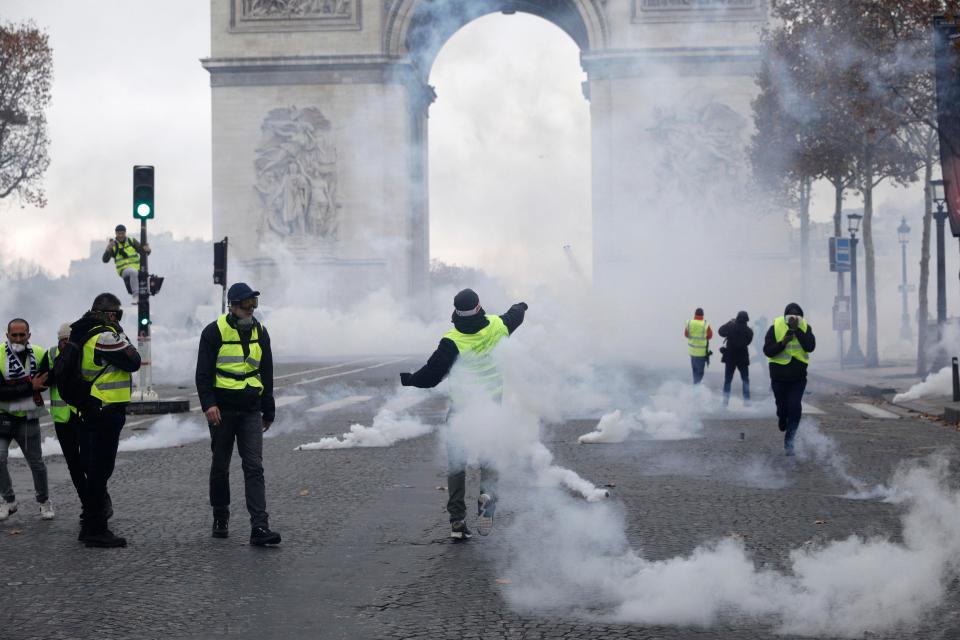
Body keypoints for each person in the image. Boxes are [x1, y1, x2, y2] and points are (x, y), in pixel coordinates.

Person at [399, 288, 527, 540]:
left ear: (456, 312)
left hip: (461, 410)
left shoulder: (451, 341)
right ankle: (487, 498)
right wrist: (521, 305)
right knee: (489, 457)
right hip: (491, 408)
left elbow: (431, 375)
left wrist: (409, 379)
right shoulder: (497, 326)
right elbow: (515, 315)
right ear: (479, 307)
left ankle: (457, 520)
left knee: (457, 462)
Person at [196, 282, 280, 546]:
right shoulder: (213, 332)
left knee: (254, 467)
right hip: (222, 410)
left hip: (251, 410)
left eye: (254, 305)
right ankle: (221, 516)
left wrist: (269, 408)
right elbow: (203, 374)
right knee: (220, 466)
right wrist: (209, 404)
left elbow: (266, 372)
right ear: (232, 306)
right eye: (246, 305)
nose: (251, 310)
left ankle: (259, 527)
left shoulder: (261, 332)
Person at [71, 293, 141, 547]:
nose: (118, 319)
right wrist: (120, 332)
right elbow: (133, 361)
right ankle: (96, 529)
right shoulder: (105, 336)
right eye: (117, 315)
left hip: (92, 407)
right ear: (110, 314)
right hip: (105, 408)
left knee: (96, 470)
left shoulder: (82, 331)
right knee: (101, 471)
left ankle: (89, 525)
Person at [0, 318, 54, 521]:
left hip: (29, 418)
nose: (18, 338)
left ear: (29, 336)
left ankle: (44, 500)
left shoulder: (40, 354)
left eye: (22, 335)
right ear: (7, 336)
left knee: (36, 463)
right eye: (14, 335)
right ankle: (8, 500)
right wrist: (29, 387)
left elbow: (46, 383)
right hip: (3, 416)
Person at [46, 323, 89, 520]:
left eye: (70, 341)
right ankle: (87, 503)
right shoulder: (51, 354)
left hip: (82, 416)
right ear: (59, 341)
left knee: (88, 462)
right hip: (63, 419)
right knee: (73, 464)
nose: (66, 345)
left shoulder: (84, 352)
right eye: (64, 341)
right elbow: (44, 379)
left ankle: (97, 501)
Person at [763, 302, 816, 456]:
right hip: (778, 377)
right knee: (782, 407)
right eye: (790, 317)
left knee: (794, 406)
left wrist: (797, 330)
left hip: (797, 378)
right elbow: (768, 351)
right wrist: (783, 343)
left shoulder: (805, 327)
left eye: (797, 317)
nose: (793, 319)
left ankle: (789, 442)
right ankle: (781, 417)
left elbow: (810, 346)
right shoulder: (775, 327)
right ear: (785, 316)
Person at [101, 224, 150, 305]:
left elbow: (143, 252)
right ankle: (135, 296)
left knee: (145, 276)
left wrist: (148, 250)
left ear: (125, 233)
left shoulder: (131, 241)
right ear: (116, 233)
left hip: (137, 268)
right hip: (124, 270)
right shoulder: (113, 245)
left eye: (122, 233)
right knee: (133, 272)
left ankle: (145, 296)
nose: (120, 235)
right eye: (119, 233)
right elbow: (105, 260)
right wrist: (108, 249)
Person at [718, 311, 753, 406]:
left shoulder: (730, 327)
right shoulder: (749, 331)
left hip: (730, 358)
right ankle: (747, 402)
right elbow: (748, 342)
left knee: (728, 381)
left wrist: (729, 322)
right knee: (745, 380)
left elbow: (720, 331)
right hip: (743, 358)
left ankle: (725, 402)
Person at [684, 308, 712, 384]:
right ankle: (697, 389)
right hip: (701, 353)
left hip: (692, 352)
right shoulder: (705, 324)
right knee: (700, 372)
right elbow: (710, 336)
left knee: (695, 370)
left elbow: (686, 334)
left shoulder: (689, 323)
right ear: (703, 315)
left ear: (695, 314)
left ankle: (695, 387)